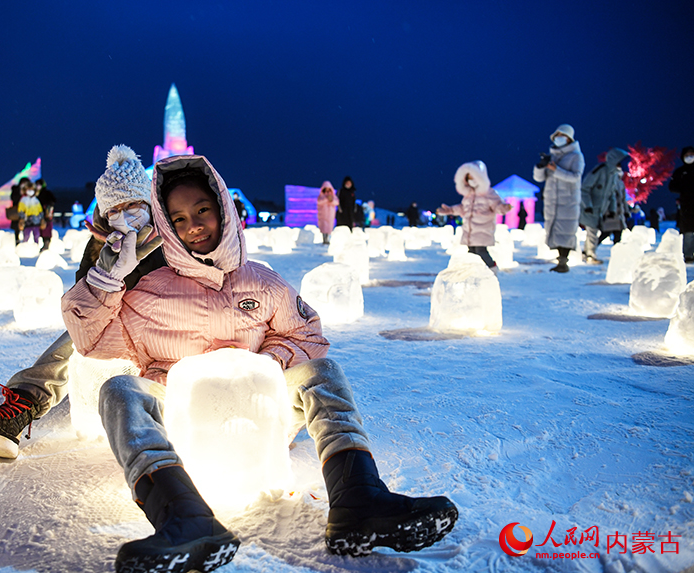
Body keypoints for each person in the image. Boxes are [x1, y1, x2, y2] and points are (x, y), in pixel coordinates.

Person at [61, 154, 458, 573]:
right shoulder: (149, 292)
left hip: (259, 411)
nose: (193, 225)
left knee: (322, 374)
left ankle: (358, 500)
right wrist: (106, 277)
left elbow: (307, 336)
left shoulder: (262, 282)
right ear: (166, 227)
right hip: (184, 418)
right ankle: (183, 516)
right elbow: (90, 339)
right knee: (119, 391)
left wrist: (262, 368)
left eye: (202, 210)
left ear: (223, 210)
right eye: (177, 219)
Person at [0, 144, 166, 459]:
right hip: (119, 328)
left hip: (169, 331)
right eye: (114, 209)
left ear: (149, 203)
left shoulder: (174, 238)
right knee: (76, 341)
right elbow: (83, 307)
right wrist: (110, 270)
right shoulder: (102, 246)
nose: (124, 214)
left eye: (133, 204)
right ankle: (20, 407)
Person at [437, 161, 512, 272]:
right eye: (468, 177)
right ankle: (474, 273)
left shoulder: (489, 193)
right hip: (470, 231)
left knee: (481, 251)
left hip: (483, 230)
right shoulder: (469, 195)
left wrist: (503, 208)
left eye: (473, 177)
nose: (471, 180)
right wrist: (449, 210)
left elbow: (497, 206)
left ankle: (492, 269)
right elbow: (462, 208)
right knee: (471, 253)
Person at [533, 124, 585, 273]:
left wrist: (557, 170)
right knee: (554, 230)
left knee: (567, 230)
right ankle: (559, 260)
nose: (558, 139)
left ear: (569, 138)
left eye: (562, 136)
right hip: (552, 200)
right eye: (556, 136)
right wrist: (540, 166)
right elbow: (538, 178)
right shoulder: (553, 156)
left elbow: (575, 177)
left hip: (568, 200)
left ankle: (564, 261)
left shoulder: (576, 156)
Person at [579, 147, 629, 264]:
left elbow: (611, 194)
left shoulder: (614, 175)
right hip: (590, 209)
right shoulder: (600, 171)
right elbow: (585, 189)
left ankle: (587, 253)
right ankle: (590, 255)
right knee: (592, 232)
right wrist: (588, 205)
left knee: (593, 232)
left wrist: (611, 210)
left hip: (600, 209)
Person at [669, 146, 694, 262]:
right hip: (687, 204)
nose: (690, 157)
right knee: (688, 230)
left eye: (691, 154)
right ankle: (688, 255)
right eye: (687, 155)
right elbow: (672, 186)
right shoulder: (680, 172)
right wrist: (684, 189)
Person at [17, 180, 44, 245]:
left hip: (36, 220)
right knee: (26, 235)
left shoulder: (36, 200)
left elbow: (40, 210)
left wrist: (41, 218)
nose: (30, 191)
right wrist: (22, 218)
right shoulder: (23, 200)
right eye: (28, 189)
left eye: (32, 190)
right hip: (27, 221)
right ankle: (24, 246)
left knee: (37, 235)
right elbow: (21, 210)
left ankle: (36, 246)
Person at [36, 179, 56, 251]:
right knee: (42, 229)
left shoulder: (46, 193)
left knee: (46, 229)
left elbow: (53, 201)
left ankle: (46, 244)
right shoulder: (37, 194)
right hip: (40, 215)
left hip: (46, 215)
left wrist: (47, 208)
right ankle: (45, 244)